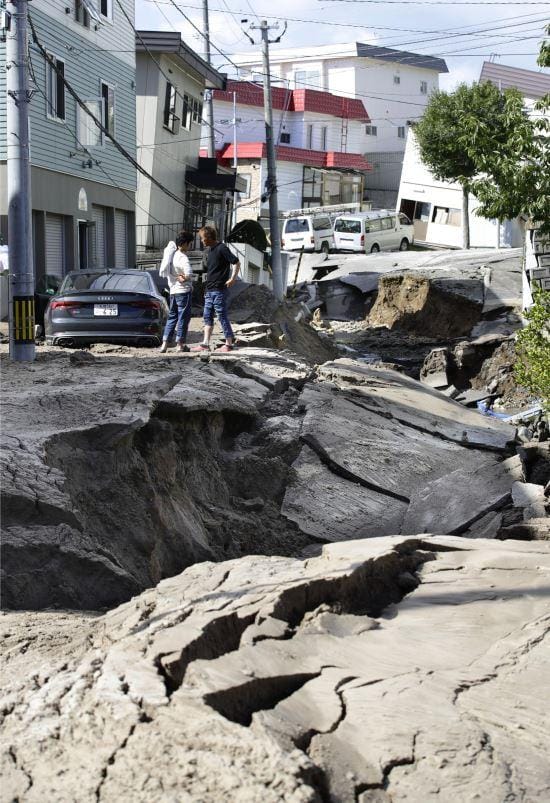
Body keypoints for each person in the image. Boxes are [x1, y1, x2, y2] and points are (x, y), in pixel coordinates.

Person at [192, 225, 240, 353]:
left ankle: (229, 344)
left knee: (221, 316)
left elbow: (236, 262)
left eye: (202, 238)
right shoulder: (209, 251)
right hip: (209, 290)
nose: (202, 241)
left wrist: (233, 278)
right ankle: (205, 343)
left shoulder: (222, 248)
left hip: (219, 290)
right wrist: (206, 290)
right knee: (207, 316)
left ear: (208, 237)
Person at [158, 231, 194, 353]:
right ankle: (180, 344)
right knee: (183, 318)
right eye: (189, 244)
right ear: (184, 244)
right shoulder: (183, 257)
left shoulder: (171, 256)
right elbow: (188, 273)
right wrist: (185, 278)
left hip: (173, 292)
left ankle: (164, 344)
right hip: (183, 291)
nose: (190, 247)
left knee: (172, 317)